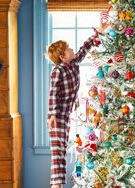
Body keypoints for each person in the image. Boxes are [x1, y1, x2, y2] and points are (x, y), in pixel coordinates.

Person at [46, 21, 109, 188]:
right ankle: (56, 185)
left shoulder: (73, 63)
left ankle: (57, 184)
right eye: (68, 49)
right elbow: (53, 92)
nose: (71, 49)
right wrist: (52, 115)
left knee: (62, 149)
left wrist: (99, 32)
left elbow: (84, 48)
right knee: (58, 151)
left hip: (65, 113)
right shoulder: (58, 70)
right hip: (57, 114)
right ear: (62, 57)